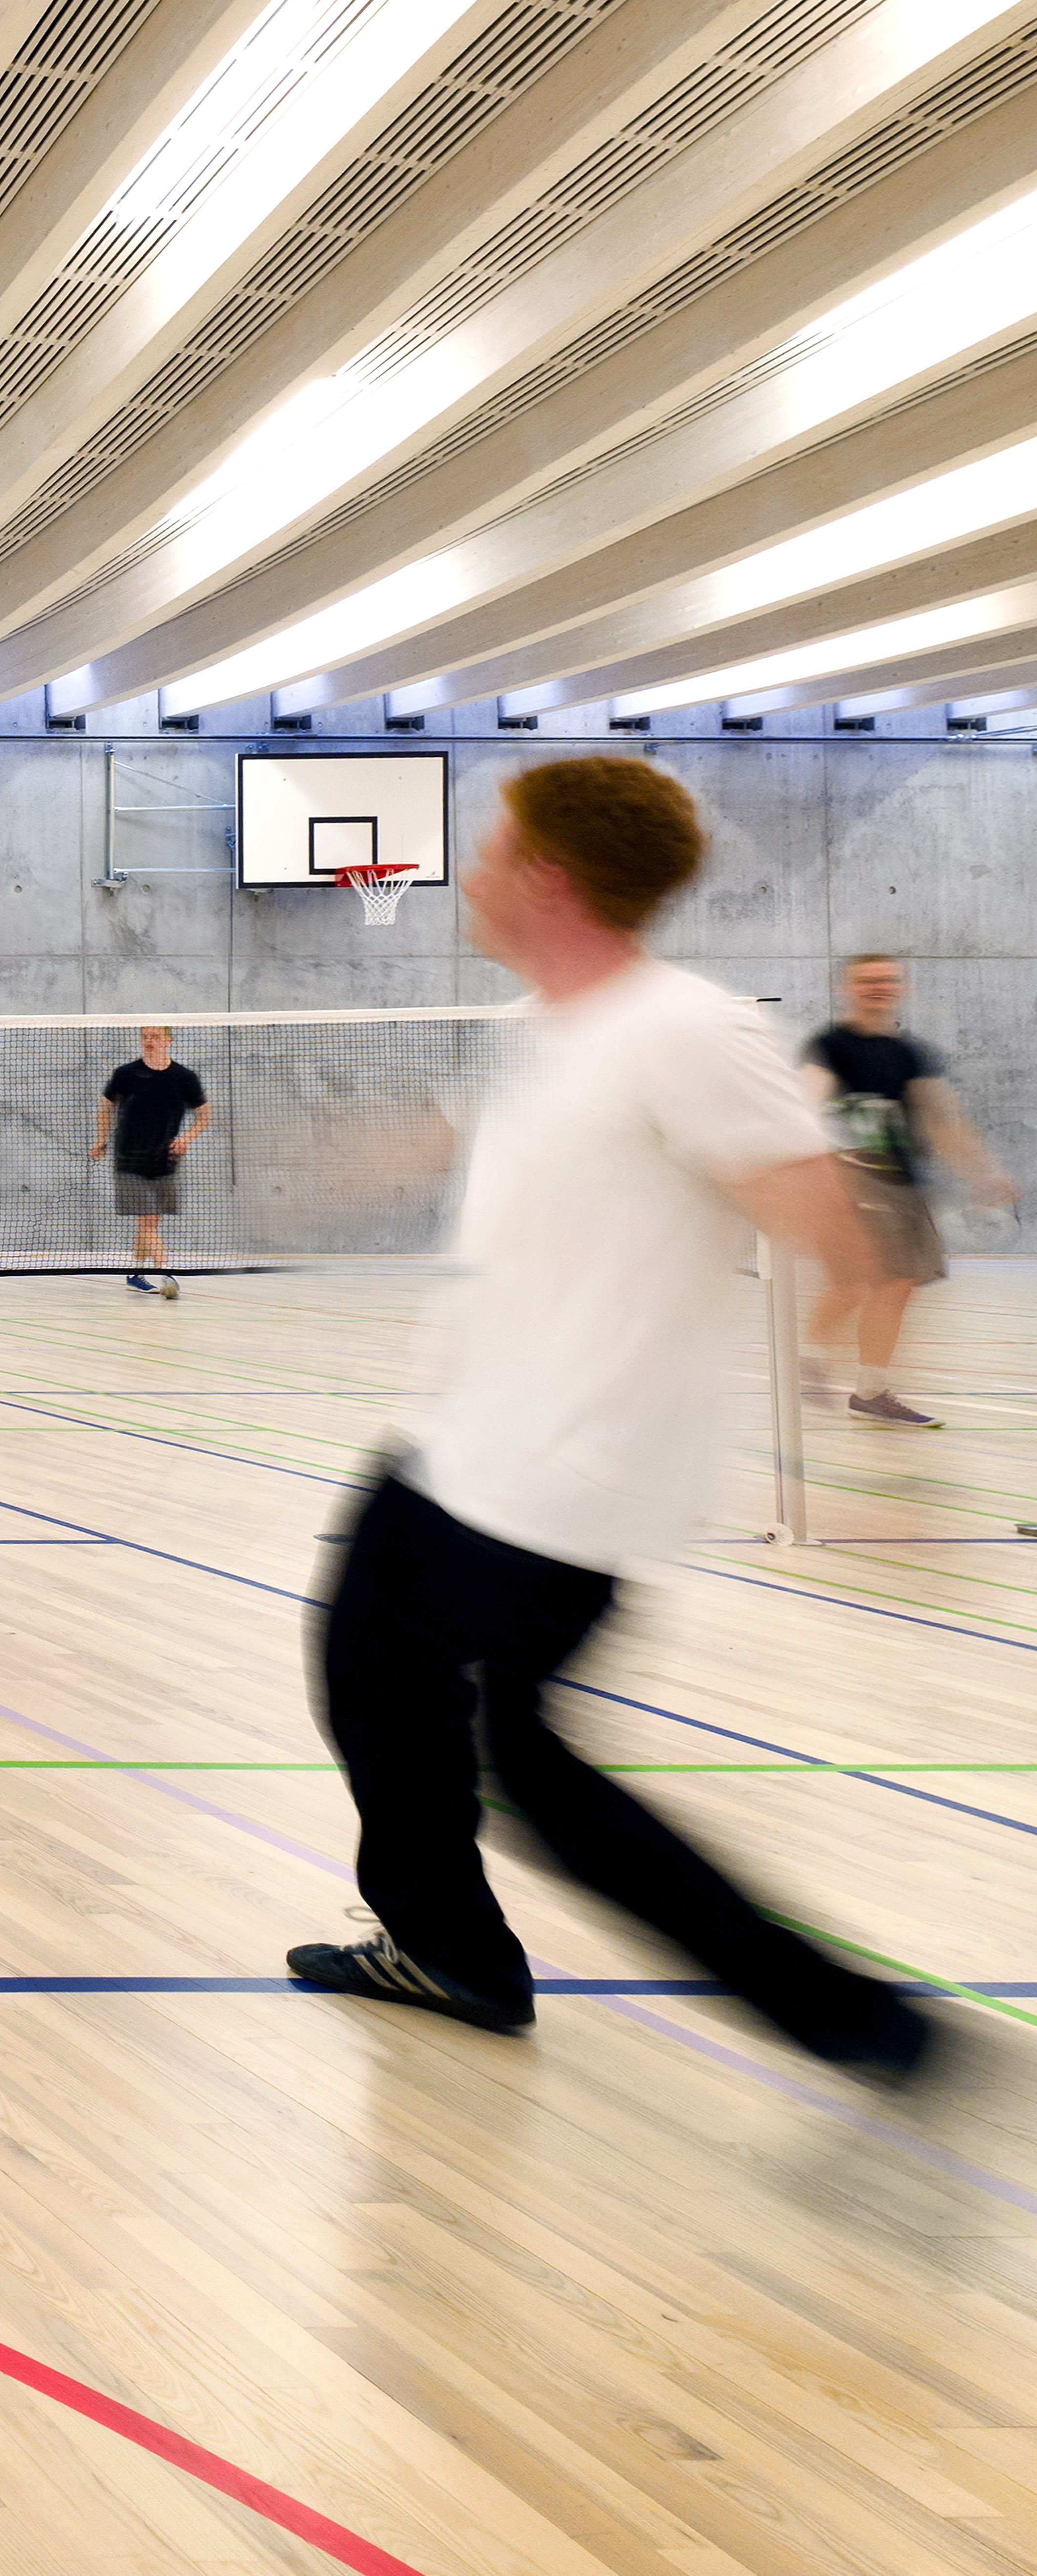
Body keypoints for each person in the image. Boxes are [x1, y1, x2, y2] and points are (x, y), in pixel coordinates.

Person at [285, 758, 928, 2086]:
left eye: (488, 845)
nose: (466, 866)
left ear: (546, 877)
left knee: (524, 1766)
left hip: (564, 1474)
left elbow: (823, 1220)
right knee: (370, 1675)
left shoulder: (679, 1026)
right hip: (460, 1448)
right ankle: (443, 1943)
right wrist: (393, 1151)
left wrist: (821, 1202)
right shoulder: (550, 1022)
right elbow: (526, 1148)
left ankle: (854, 2020)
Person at [803, 953, 1010, 1429]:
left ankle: (869, 1391)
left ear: (901, 987)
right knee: (868, 1276)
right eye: (868, 980)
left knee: (901, 1283)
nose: (879, 986)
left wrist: (983, 1171)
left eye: (888, 980)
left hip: (905, 1182)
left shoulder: (910, 1053)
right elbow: (805, 1104)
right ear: (848, 987)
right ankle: (814, 1357)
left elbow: (940, 1117)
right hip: (857, 1173)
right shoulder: (830, 1045)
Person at [88, 1025, 209, 1295]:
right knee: (148, 1218)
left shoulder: (184, 1077)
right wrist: (101, 1139)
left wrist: (187, 1139)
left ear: (169, 1040)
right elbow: (106, 1106)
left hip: (165, 1159)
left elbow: (204, 1116)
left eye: (155, 1037)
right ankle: (166, 1274)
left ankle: (136, 1273)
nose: (149, 1041)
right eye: (145, 1037)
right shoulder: (126, 1074)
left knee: (150, 1221)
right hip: (129, 1157)